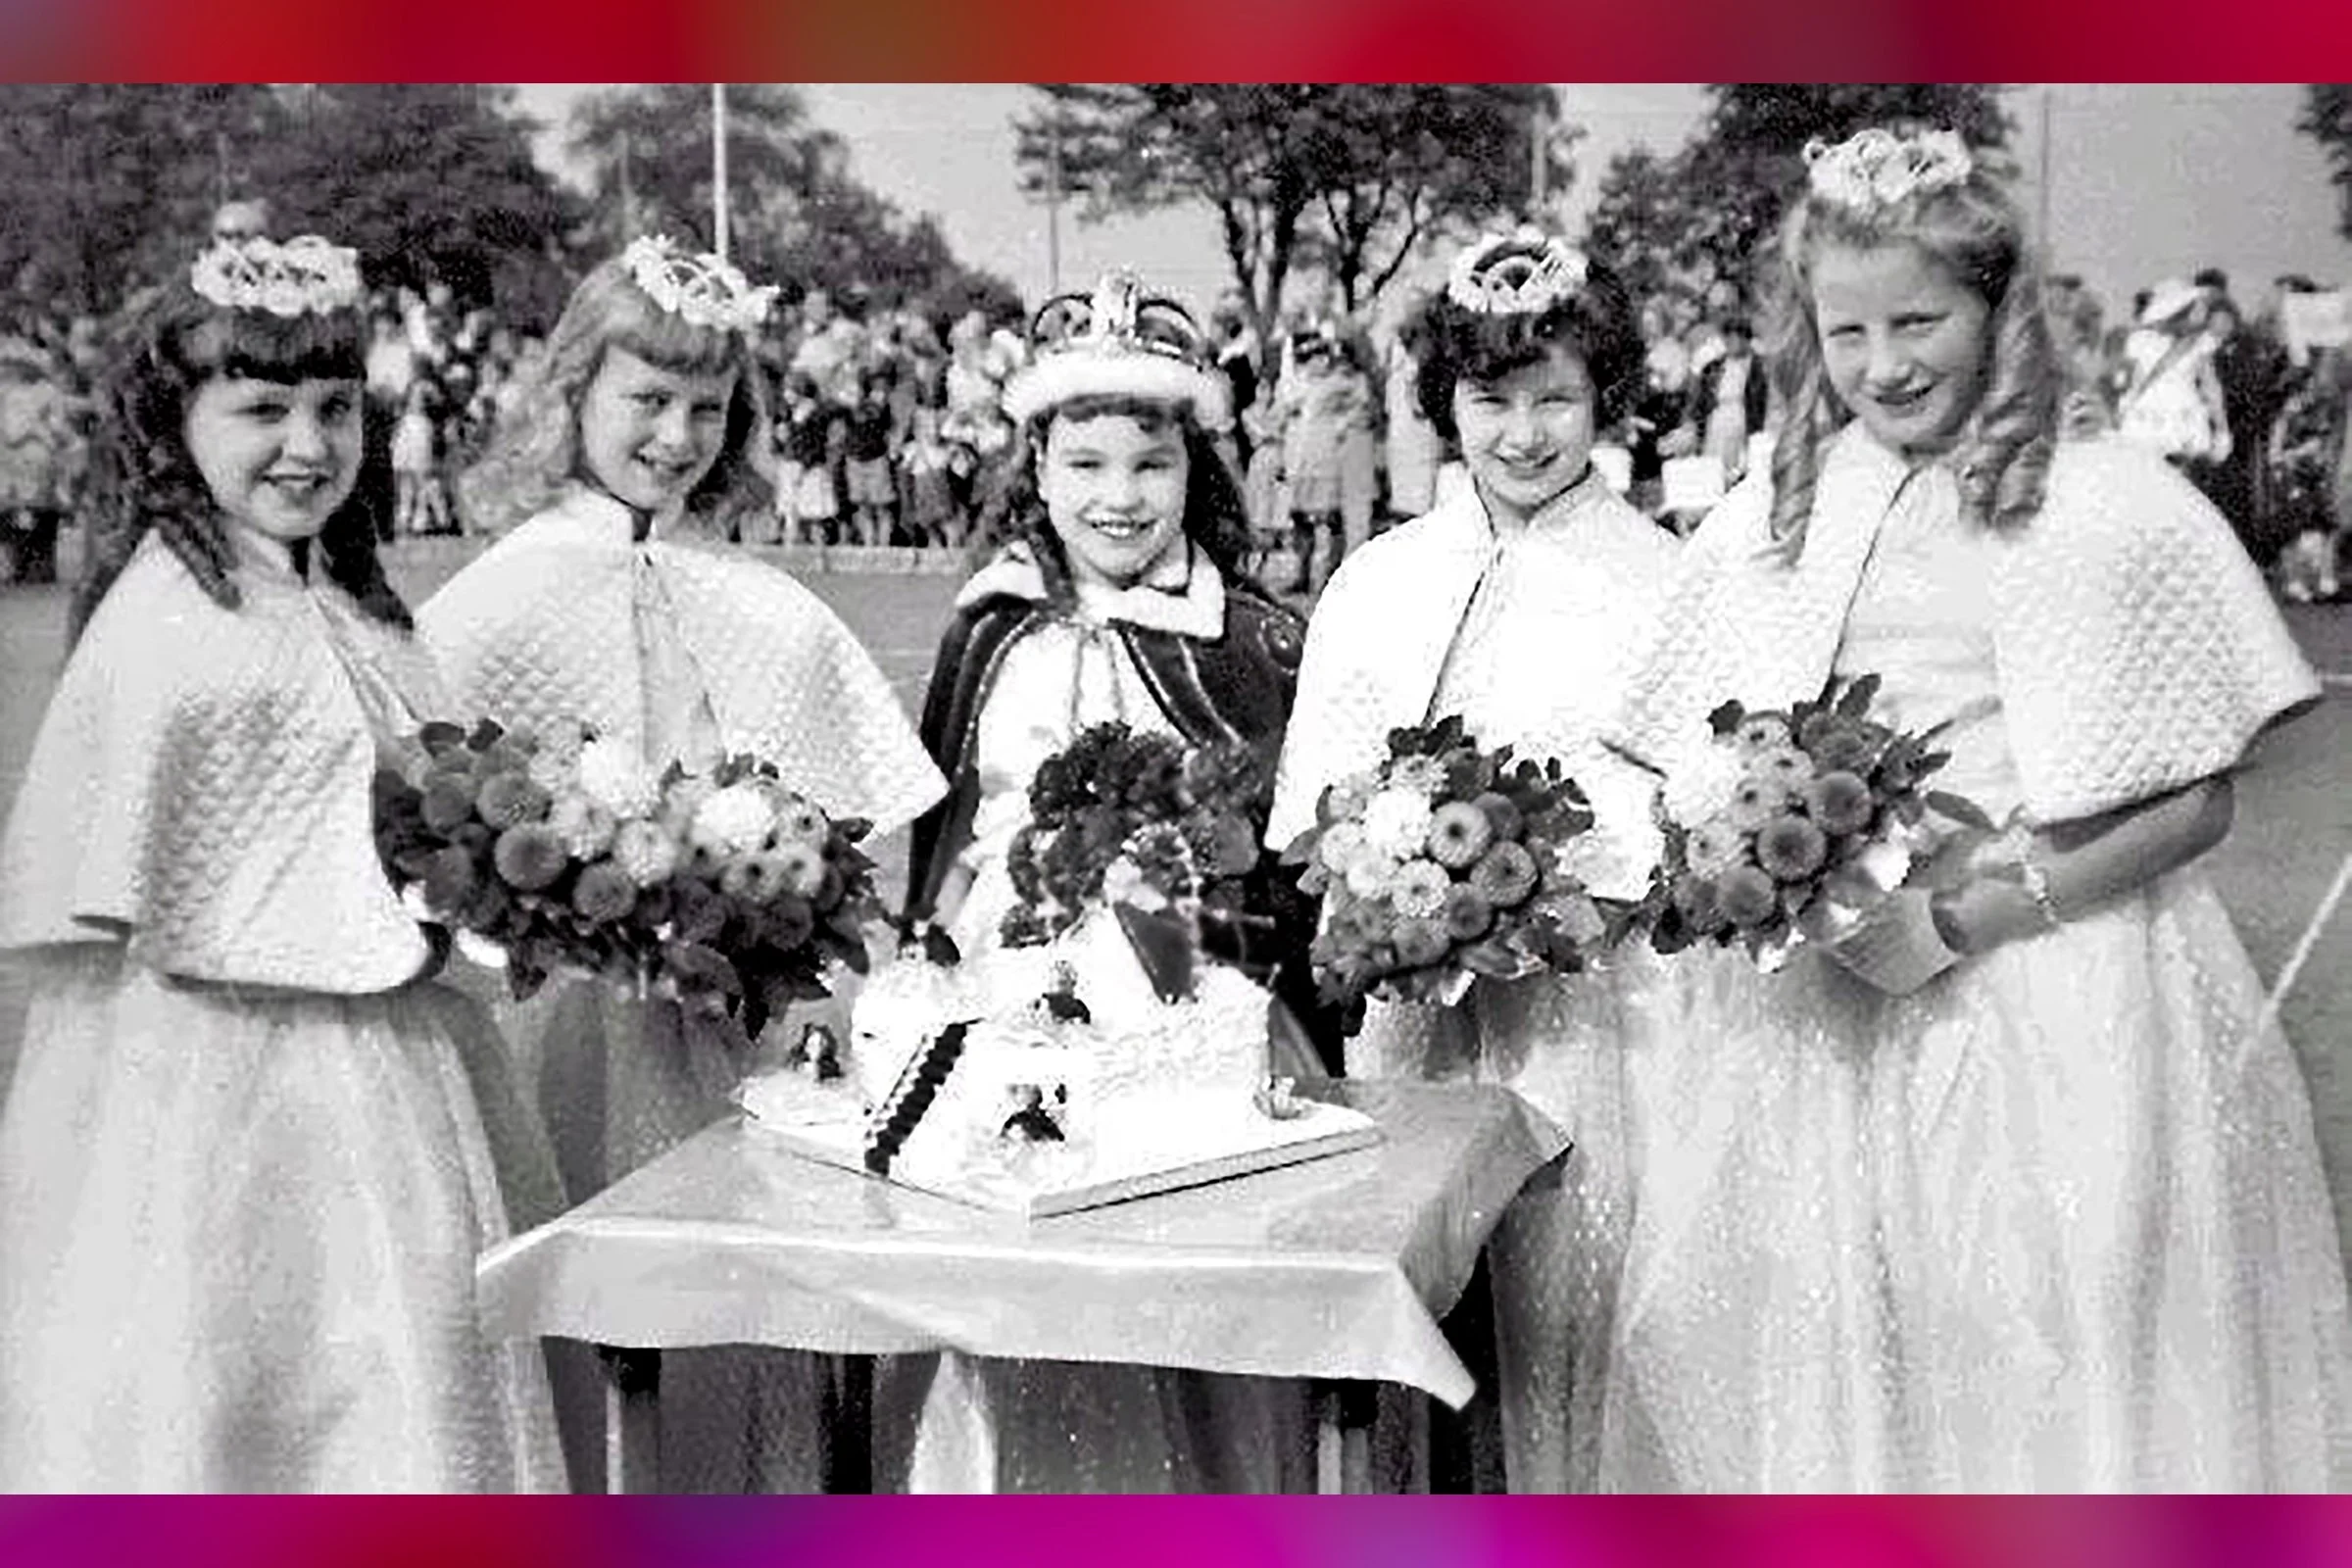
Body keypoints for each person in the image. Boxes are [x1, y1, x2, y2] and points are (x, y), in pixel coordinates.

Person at [1611, 124, 2352, 1491]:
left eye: (1920, 322)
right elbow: (1700, 771)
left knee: (2043, 1346)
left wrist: (1964, 919)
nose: (1884, 364)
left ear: (1996, 310)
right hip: (1826, 1013)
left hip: (2054, 986)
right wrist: (1756, 873)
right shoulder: (1781, 508)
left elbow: (2196, 807)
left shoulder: (2107, 501)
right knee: (1849, 1356)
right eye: (1847, 331)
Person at [0, 233, 564, 1491]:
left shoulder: (351, 605)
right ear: (174, 426)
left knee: (401, 1359)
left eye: (334, 409)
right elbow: (152, 867)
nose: (307, 445)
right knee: (241, 1367)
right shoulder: (171, 619)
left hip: (389, 1051)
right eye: (261, 411)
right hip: (218, 1068)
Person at [420, 235, 945, 1492]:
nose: (675, 436)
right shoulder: (499, 600)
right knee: (580, 1275)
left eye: (706, 409)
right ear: (575, 394)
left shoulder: (758, 601)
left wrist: (780, 884)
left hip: (736, 1021)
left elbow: (840, 810)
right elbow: (441, 825)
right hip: (556, 1021)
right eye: (646, 399)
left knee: (737, 1289)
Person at [892, 268, 1328, 1493]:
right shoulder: (992, 626)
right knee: (1013, 1275)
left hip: (1199, 991)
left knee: (1201, 1276)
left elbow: (1287, 853)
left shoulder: (1251, 641)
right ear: (1035, 466)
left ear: (1197, 470)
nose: (1119, 496)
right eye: (1085, 464)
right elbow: (946, 832)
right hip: (1008, 985)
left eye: (1151, 464)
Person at [1266, 228, 1683, 1493]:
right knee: (1419, 1297)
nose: (1523, 434)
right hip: (1412, 1014)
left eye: (1556, 398)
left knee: (1570, 1305)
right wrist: (1385, 892)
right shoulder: (1380, 580)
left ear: (1606, 395)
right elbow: (1317, 817)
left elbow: (1681, 821)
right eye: (1491, 399)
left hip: (1594, 1021)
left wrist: (1561, 899)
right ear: (1444, 399)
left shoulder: (1661, 580)